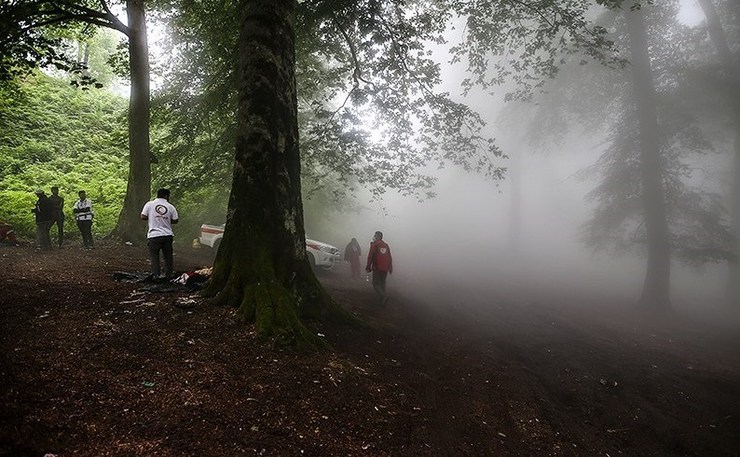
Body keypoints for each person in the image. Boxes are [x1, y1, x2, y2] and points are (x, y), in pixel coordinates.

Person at [141, 188, 179, 278]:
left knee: (154, 257)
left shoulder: (150, 204)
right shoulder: (170, 207)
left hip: (154, 235)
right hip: (167, 235)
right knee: (168, 257)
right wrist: (165, 219)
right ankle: (168, 275)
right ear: (166, 196)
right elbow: (175, 220)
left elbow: (143, 216)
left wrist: (152, 218)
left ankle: (156, 275)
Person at [366, 230, 393, 304]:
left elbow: (370, 256)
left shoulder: (374, 245)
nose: (374, 237)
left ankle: (383, 297)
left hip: (377, 267)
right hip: (385, 268)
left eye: (375, 235)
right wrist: (390, 267)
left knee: (375, 284)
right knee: (382, 283)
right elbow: (389, 257)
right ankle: (383, 299)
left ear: (378, 237)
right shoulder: (386, 245)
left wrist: (368, 266)